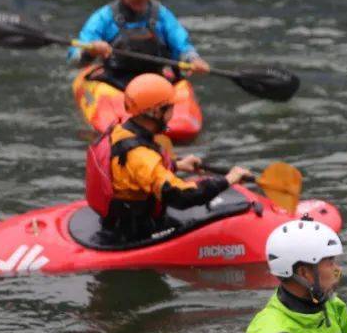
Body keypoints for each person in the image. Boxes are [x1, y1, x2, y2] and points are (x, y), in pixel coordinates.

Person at [99, 73, 250, 241]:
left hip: (120, 219)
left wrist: (176, 165)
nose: (173, 113)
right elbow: (181, 196)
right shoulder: (140, 155)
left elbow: (135, 173)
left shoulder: (122, 130)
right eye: (170, 108)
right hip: (135, 232)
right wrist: (227, 180)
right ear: (156, 112)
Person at [69, 0, 211, 91]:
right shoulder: (104, 17)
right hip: (115, 82)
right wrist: (91, 50)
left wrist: (193, 59)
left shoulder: (161, 14)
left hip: (156, 79)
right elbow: (75, 57)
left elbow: (181, 43)